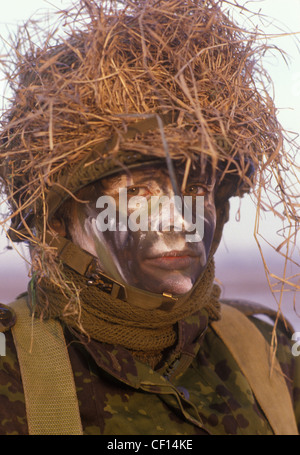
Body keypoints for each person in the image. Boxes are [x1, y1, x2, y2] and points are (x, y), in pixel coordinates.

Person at [0, 0, 299, 436]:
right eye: (137, 193)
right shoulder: (11, 371)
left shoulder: (269, 356)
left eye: (197, 190)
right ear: (58, 220)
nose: (178, 221)